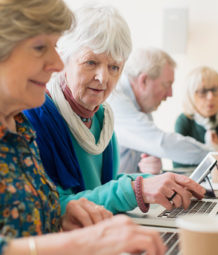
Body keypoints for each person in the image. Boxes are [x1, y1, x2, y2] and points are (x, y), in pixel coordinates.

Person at [0, 1, 166, 254]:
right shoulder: (35, 117)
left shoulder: (20, 128)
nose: (56, 63)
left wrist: (63, 213)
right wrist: (82, 240)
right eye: (40, 47)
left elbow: (45, 208)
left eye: (114, 67)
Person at [24, 3, 206, 217]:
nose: (103, 78)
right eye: (91, 62)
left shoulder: (102, 118)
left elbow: (104, 187)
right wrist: (137, 189)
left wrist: (159, 183)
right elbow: (57, 209)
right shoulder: (37, 116)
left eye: (114, 67)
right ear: (64, 60)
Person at [107, 47, 213, 174]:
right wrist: (215, 156)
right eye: (166, 85)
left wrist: (150, 168)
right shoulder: (114, 98)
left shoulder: (142, 106)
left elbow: (150, 155)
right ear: (144, 80)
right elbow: (161, 143)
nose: (170, 94)